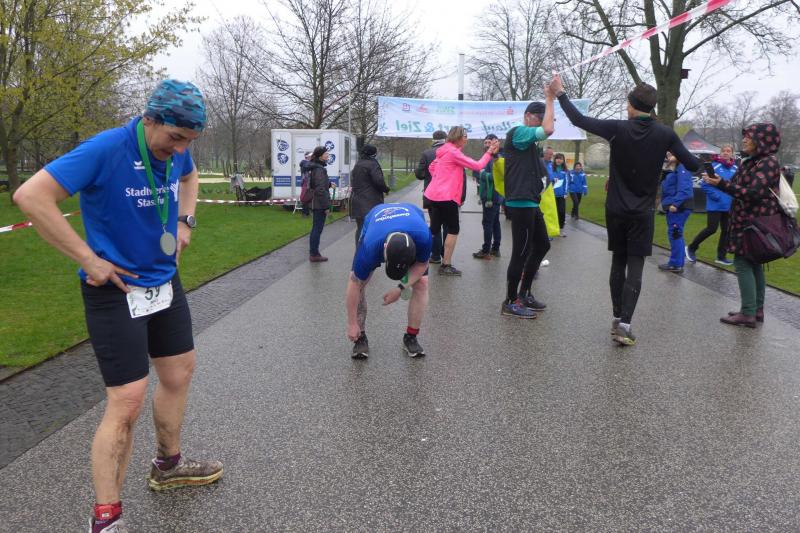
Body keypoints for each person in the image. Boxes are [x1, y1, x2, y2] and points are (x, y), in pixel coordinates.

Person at [13, 80, 222, 533]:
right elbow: (30, 196)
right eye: (175, 137)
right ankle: (106, 518)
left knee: (179, 372)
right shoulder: (106, 148)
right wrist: (88, 258)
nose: (180, 149)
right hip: (116, 289)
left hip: (164, 282)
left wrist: (185, 221)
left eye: (189, 141)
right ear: (149, 119)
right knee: (126, 401)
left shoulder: (177, 150)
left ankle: (168, 466)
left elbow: (189, 177)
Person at [549, 73, 700, 345]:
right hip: (642, 211)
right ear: (651, 108)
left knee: (618, 261)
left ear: (631, 105)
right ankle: (625, 325)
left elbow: (579, 120)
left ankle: (617, 318)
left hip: (616, 208)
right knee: (636, 265)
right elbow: (692, 164)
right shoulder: (665, 134)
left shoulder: (618, 128)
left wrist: (560, 93)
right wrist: (672, 157)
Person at [705, 124, 783, 328]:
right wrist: (719, 181)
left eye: (749, 137)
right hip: (745, 220)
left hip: (754, 222)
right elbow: (738, 187)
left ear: (762, 141)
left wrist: (722, 184)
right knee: (754, 262)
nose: (744, 140)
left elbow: (754, 193)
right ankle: (755, 310)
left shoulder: (767, 162)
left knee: (742, 261)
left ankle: (748, 312)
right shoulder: (752, 161)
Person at [346, 202, 432, 358]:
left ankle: (411, 336)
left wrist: (400, 288)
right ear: (384, 248)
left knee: (422, 283)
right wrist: (352, 323)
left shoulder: (424, 238)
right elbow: (354, 283)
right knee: (360, 283)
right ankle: (360, 336)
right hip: (376, 222)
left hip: (412, 219)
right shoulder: (370, 246)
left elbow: (421, 265)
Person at [500, 92, 556, 318]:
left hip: (530, 201)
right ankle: (510, 301)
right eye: (540, 118)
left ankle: (524, 294)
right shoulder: (518, 132)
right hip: (521, 201)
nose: (543, 122)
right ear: (528, 116)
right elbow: (548, 129)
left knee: (542, 245)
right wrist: (550, 98)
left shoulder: (531, 144)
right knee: (520, 253)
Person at [424, 126, 499, 276]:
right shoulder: (453, 152)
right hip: (447, 197)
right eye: (465, 137)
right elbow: (477, 166)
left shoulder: (443, 151)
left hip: (434, 195)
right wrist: (490, 151)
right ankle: (446, 265)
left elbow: (432, 167)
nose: (466, 139)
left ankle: (418, 257)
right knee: (453, 230)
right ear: (458, 137)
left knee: (433, 229)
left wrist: (442, 179)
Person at [686, 145, 736, 266]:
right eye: (723, 151)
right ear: (720, 153)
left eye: (728, 151)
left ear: (732, 154)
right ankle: (691, 247)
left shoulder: (736, 168)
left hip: (729, 205)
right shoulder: (714, 167)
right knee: (711, 229)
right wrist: (717, 197)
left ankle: (721, 256)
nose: (725, 153)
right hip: (715, 204)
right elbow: (704, 185)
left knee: (726, 231)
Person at [658, 152, 694, 273]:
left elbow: (685, 189)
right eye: (667, 154)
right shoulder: (675, 169)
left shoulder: (682, 167)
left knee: (675, 233)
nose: (668, 156)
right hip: (675, 206)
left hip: (679, 207)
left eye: (671, 153)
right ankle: (677, 262)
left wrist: (675, 204)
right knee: (676, 233)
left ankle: (675, 264)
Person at [415, 130, 448, 263]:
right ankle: (446, 255)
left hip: (432, 194)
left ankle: (435, 255)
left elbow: (419, 174)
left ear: (433, 139)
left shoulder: (427, 153)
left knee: (435, 225)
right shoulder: (452, 152)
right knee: (448, 226)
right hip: (449, 194)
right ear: (445, 139)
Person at [350, 144, 390, 247]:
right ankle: (369, 250)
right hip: (370, 201)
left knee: (360, 227)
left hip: (357, 200)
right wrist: (386, 189)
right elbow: (379, 181)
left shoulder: (358, 164)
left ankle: (359, 250)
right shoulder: (373, 164)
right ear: (374, 154)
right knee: (371, 228)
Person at [473, 133, 503, 259]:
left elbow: (497, 177)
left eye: (489, 143)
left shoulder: (494, 158)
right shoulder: (487, 157)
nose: (486, 145)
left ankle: (486, 251)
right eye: (485, 143)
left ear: (494, 144)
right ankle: (495, 249)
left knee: (488, 223)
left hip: (492, 196)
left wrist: (482, 174)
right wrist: (478, 172)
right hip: (492, 196)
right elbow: (477, 170)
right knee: (495, 223)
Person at [308, 145, 336, 262]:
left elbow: (318, 184)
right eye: (326, 154)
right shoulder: (319, 169)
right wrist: (326, 206)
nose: (328, 155)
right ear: (320, 156)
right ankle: (314, 254)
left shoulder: (318, 168)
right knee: (317, 229)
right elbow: (320, 189)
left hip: (318, 203)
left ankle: (314, 253)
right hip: (319, 204)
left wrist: (328, 184)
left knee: (317, 228)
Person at [551, 152, 569, 234]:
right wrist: (552, 179)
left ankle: (561, 227)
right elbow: (547, 179)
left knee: (561, 211)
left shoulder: (565, 171)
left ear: (563, 160)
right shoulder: (551, 169)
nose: (559, 160)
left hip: (561, 195)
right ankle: (553, 227)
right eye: (557, 158)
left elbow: (566, 182)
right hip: (552, 195)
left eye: (561, 159)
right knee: (553, 211)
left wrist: (565, 193)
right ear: (555, 159)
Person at [299, 151, 313, 216]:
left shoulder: (310, 163)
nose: (312, 157)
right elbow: (307, 166)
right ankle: (304, 213)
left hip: (310, 183)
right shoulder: (304, 163)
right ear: (307, 157)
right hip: (306, 183)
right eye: (310, 156)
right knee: (304, 197)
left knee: (309, 198)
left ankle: (307, 212)